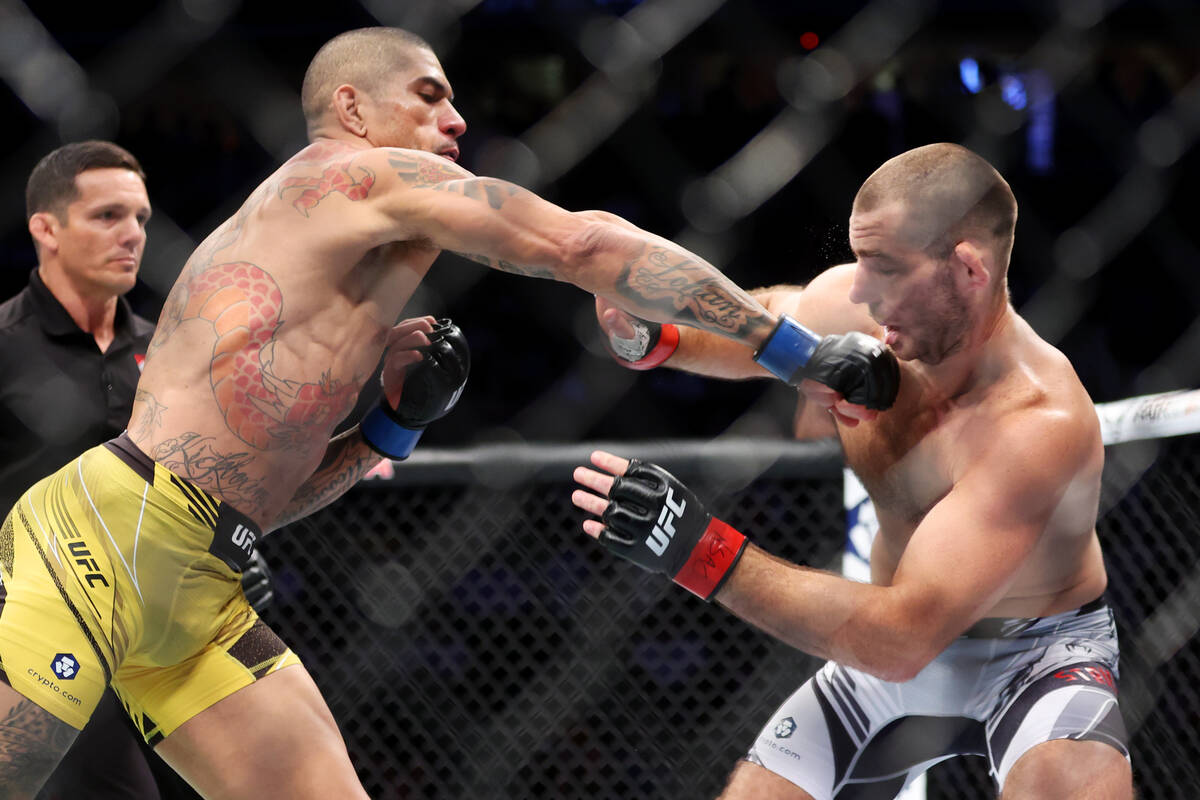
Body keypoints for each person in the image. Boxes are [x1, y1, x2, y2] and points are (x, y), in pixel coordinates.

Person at [0, 27, 895, 799]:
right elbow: (578, 243)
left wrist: (392, 425)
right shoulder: (353, 179)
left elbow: (265, 502)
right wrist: (795, 350)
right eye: (429, 98)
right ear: (353, 110)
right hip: (105, 542)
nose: (456, 122)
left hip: (202, 585)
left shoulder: (343, 266)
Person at [574, 143, 1133, 799]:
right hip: (887, 665)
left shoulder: (1037, 423)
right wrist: (649, 336)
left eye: (886, 268)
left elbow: (901, 637)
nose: (859, 288)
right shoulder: (861, 309)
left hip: (1038, 655)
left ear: (969, 271)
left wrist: (697, 547)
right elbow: (755, 326)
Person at [0, 141, 276, 800]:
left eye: (142, 219)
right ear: (46, 228)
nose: (132, 235)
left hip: (163, 631)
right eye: (107, 216)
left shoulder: (170, 353)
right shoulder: (3, 347)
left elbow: (211, 488)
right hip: (37, 629)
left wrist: (233, 549)